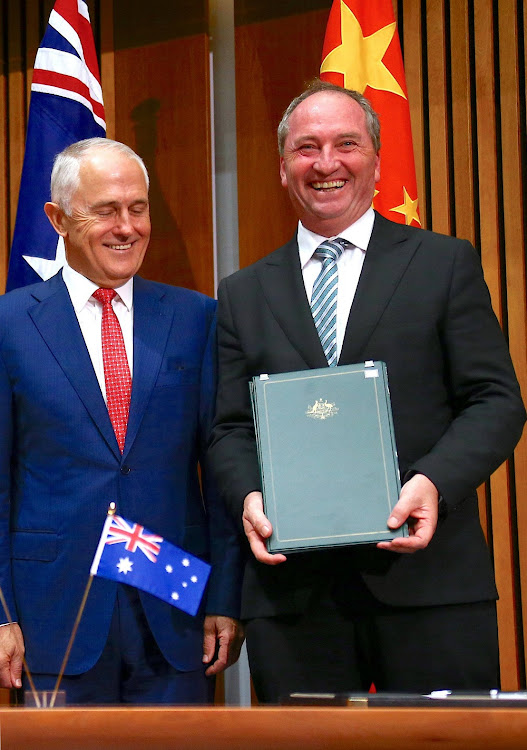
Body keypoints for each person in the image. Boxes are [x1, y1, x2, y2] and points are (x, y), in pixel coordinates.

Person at [209, 80, 526, 703]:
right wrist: (248, 493)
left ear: (376, 160)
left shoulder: (443, 263)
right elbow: (227, 427)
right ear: (283, 168)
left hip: (430, 581)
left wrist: (432, 481)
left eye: (345, 144)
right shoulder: (243, 292)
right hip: (294, 595)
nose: (326, 164)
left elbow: (496, 400)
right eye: (307, 148)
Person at [0, 137, 243, 704]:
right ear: (58, 219)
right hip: (52, 615)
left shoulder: (196, 318)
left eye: (138, 208)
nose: (127, 227)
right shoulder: (10, 326)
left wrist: (225, 598)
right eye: (106, 210)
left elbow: (224, 465)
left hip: (174, 608)